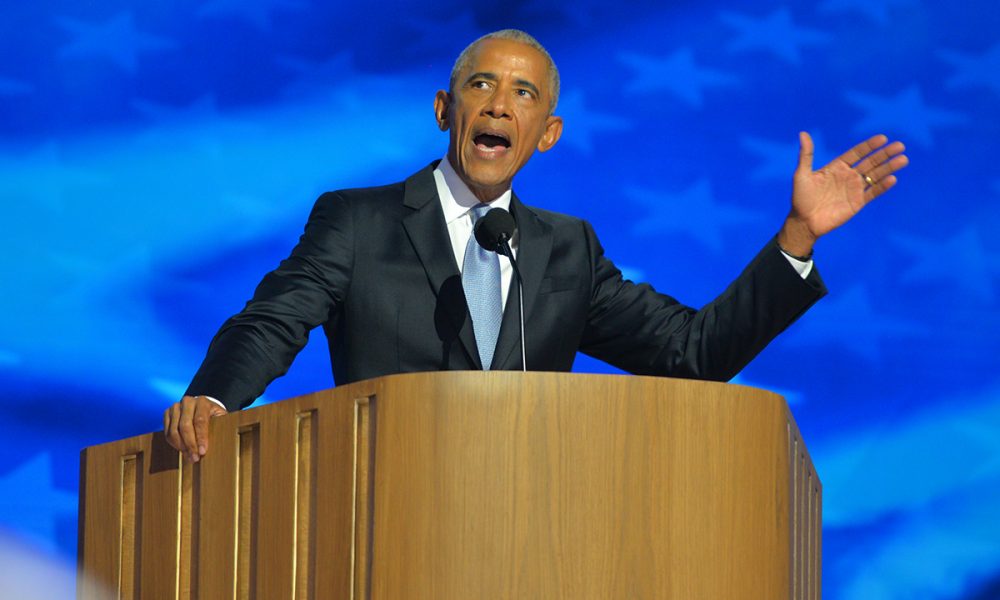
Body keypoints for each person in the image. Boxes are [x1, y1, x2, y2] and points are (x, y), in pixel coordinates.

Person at [164, 29, 908, 463]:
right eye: (481, 86)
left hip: (529, 530)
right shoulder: (359, 221)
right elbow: (275, 318)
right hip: (381, 517)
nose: (498, 104)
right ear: (444, 109)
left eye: (523, 94)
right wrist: (216, 395)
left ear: (546, 133)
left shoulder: (566, 250)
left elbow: (693, 354)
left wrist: (796, 239)